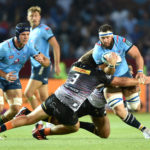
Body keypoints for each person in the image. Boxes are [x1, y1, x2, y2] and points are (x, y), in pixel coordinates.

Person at [0, 50, 150, 140]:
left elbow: (90, 56)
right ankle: (42, 130)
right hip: (69, 106)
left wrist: (101, 52)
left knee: (28, 119)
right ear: (104, 64)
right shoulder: (100, 76)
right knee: (74, 127)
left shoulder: (78, 65)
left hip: (55, 98)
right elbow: (123, 82)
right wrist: (142, 80)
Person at [0, 22, 50, 125]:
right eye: (23, 34)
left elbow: (47, 62)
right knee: (0, 106)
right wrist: (5, 75)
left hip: (13, 79)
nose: (26, 37)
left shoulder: (30, 46)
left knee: (15, 109)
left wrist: (42, 61)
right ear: (17, 35)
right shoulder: (4, 47)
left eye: (28, 34)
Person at [24, 6, 61, 109]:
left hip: (42, 66)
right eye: (31, 16)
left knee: (28, 93)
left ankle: (38, 122)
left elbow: (56, 45)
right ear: (28, 17)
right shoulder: (29, 32)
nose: (34, 18)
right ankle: (55, 120)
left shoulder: (44, 29)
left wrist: (57, 65)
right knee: (44, 98)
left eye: (36, 16)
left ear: (39, 17)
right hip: (35, 67)